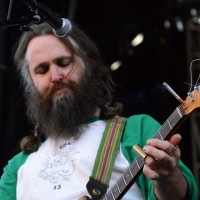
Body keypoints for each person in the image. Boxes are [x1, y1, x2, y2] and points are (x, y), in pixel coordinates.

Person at [0, 21, 198, 200]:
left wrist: (168, 179)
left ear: (88, 66)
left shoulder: (136, 130)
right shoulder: (18, 168)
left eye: (63, 63)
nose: (55, 75)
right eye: (42, 70)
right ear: (30, 85)